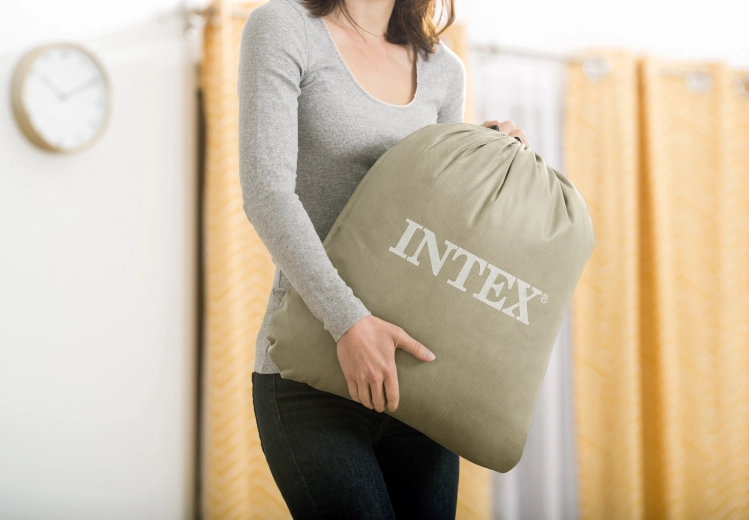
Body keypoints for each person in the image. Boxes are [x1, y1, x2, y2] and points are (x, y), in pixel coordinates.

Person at [238, 0, 530, 517]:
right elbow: (268, 194)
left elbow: (439, 220)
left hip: (416, 381)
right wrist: (349, 321)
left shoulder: (442, 68)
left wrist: (490, 157)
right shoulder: (284, 28)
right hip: (310, 374)